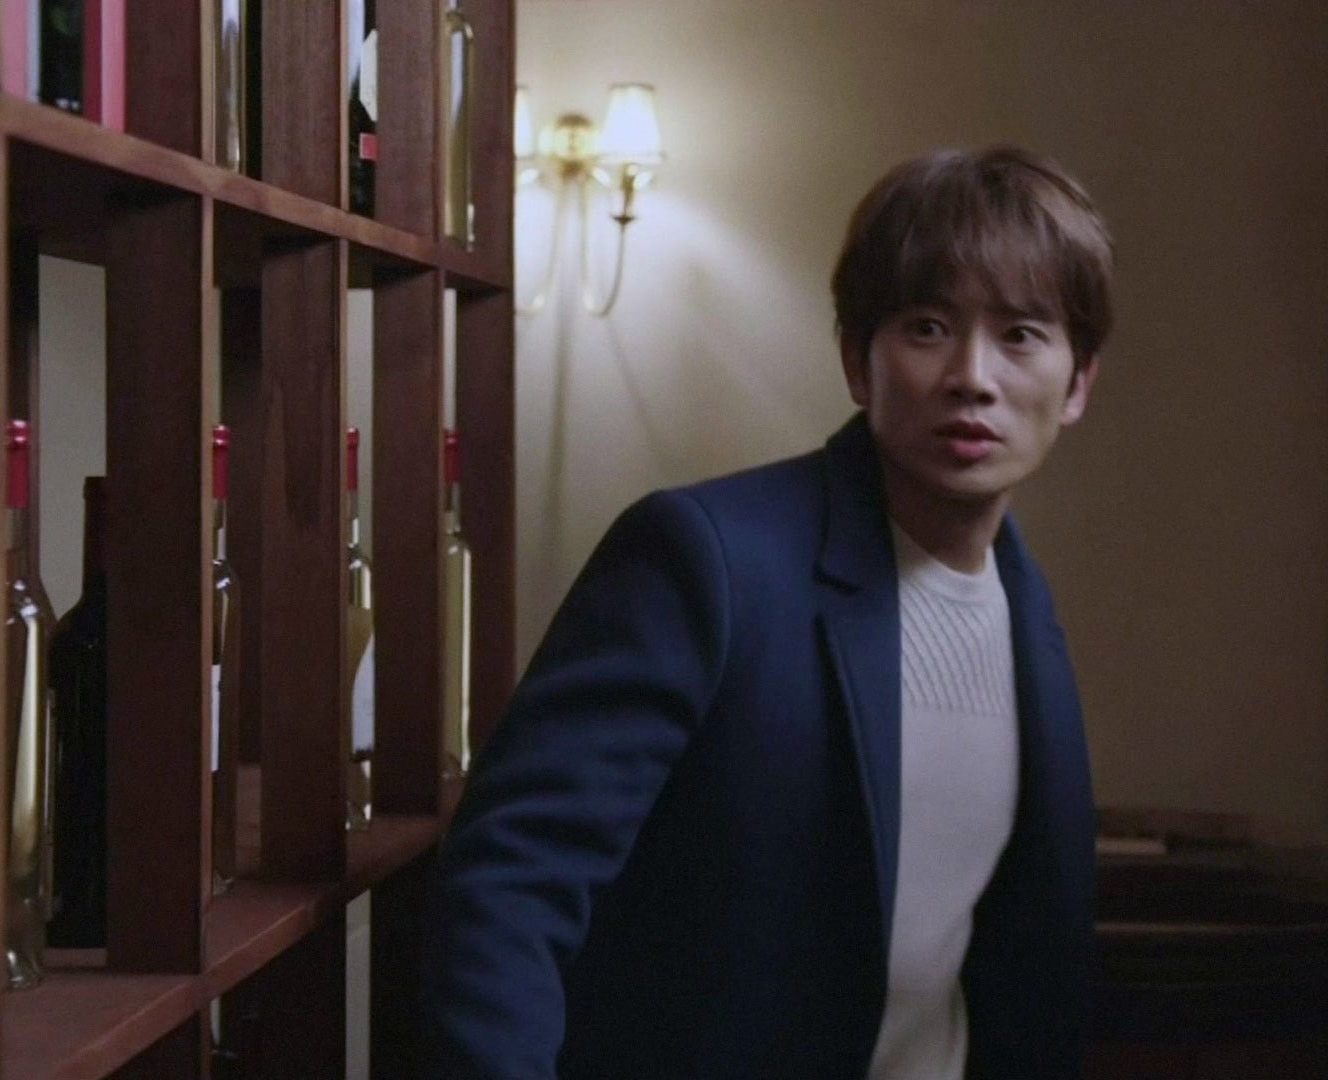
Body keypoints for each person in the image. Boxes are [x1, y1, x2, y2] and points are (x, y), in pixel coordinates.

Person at [423, 146, 1111, 1080]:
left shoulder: (1028, 610)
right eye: (927, 327)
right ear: (857, 361)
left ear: (1078, 383)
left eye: (1021, 335)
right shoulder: (705, 559)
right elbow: (508, 885)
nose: (972, 376)